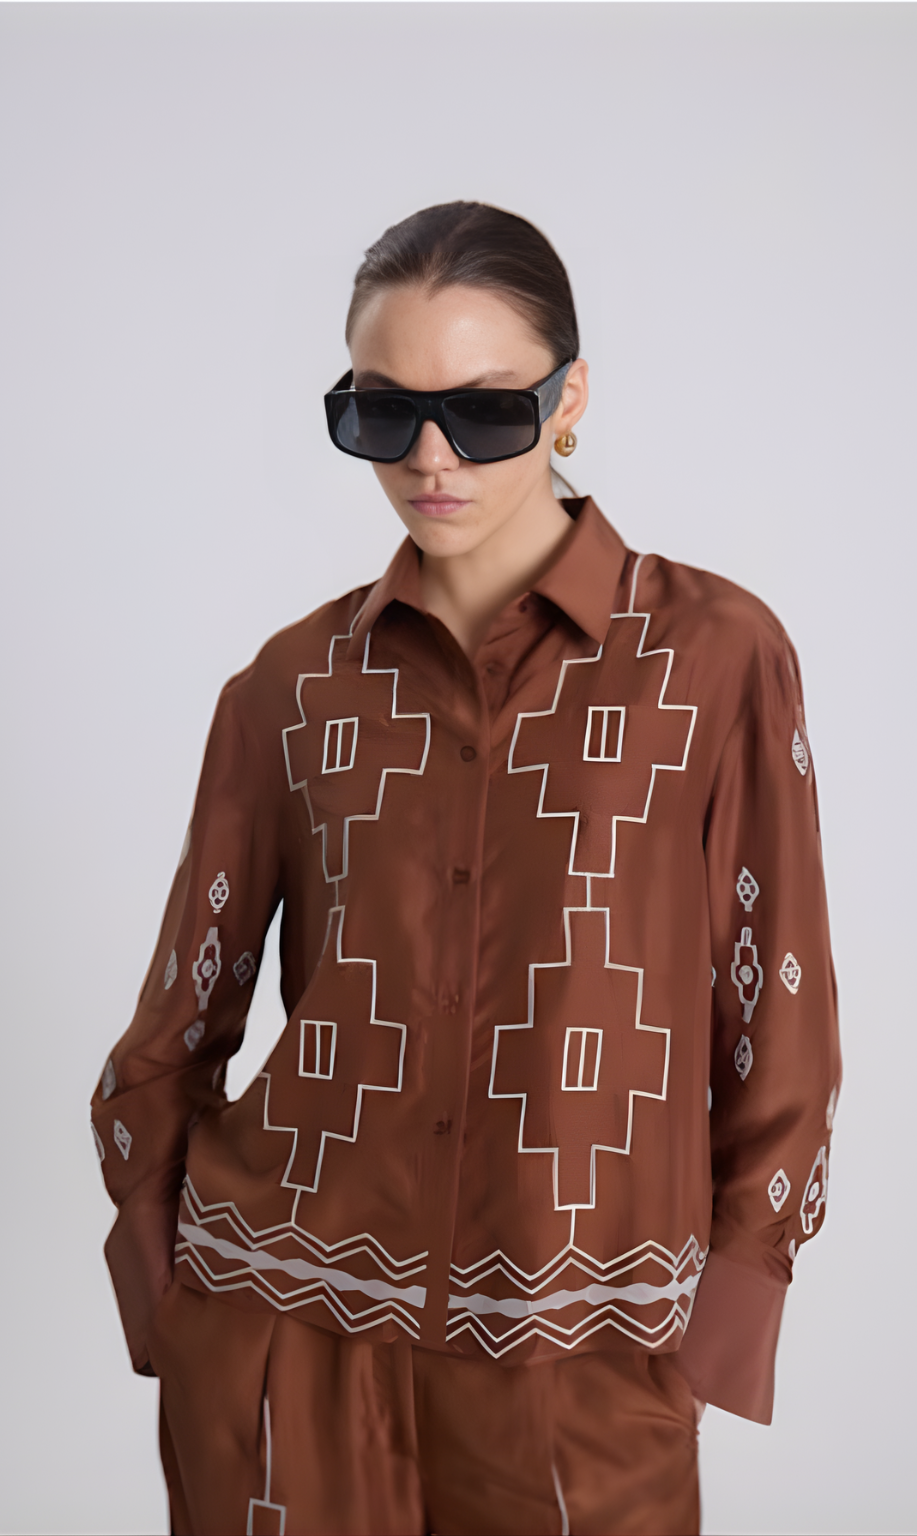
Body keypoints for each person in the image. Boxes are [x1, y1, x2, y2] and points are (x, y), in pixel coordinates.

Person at [91, 201, 841, 1536]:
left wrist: (735, 1297)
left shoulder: (713, 661)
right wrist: (165, 1282)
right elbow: (178, 1017)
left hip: (585, 1346)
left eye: (485, 412)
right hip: (284, 1330)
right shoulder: (290, 688)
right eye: (383, 413)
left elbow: (776, 1005)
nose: (430, 457)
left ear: (569, 400)